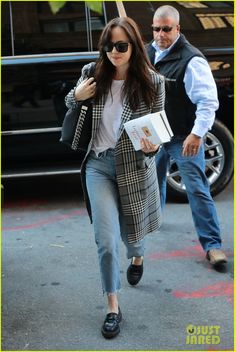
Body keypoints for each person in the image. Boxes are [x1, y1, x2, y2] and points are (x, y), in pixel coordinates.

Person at [65, 17, 165, 339]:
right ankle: (112, 305)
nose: (114, 52)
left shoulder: (152, 82)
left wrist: (151, 149)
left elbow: (157, 134)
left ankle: (137, 256)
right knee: (106, 242)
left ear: (134, 46)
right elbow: (70, 101)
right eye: (109, 46)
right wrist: (77, 97)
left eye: (121, 46)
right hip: (98, 165)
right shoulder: (92, 75)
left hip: (134, 167)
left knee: (132, 236)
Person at [144, 5, 227, 268]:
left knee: (197, 189)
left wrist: (196, 134)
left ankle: (212, 245)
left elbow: (207, 103)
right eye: (156, 29)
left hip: (183, 135)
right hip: (156, 133)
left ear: (177, 29)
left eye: (166, 29)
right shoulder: (147, 52)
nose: (160, 34)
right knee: (152, 182)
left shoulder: (192, 60)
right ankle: (153, 220)